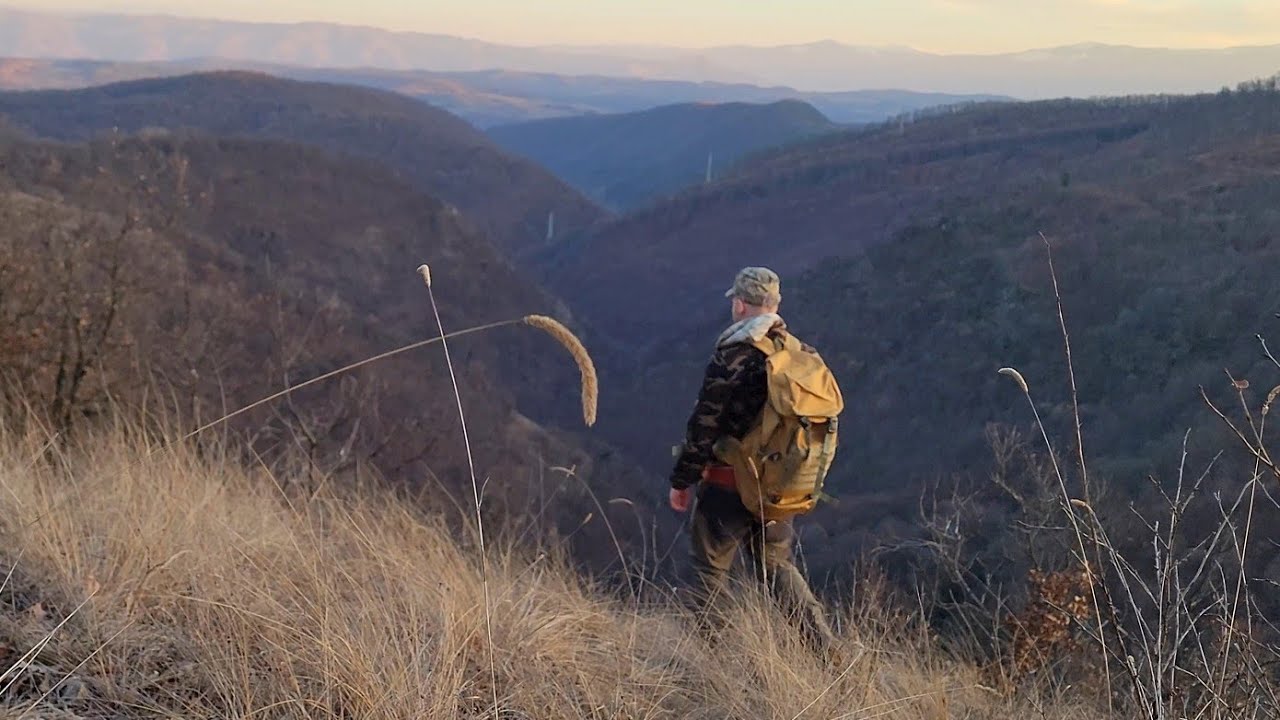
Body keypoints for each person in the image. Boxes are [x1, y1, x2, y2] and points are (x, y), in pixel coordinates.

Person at [669, 266, 838, 657]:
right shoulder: (800, 354)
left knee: (710, 568)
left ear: (741, 305)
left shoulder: (734, 355)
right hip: (781, 485)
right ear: (776, 304)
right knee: (776, 567)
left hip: (728, 483)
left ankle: (721, 658)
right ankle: (826, 649)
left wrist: (682, 479)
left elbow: (705, 425)